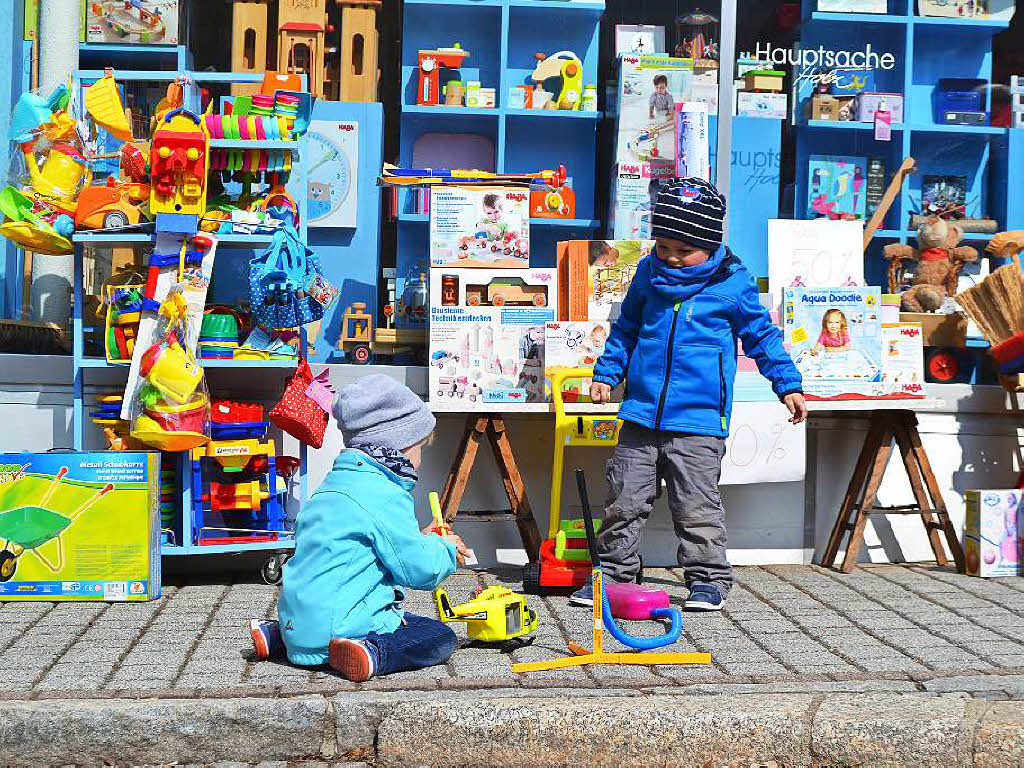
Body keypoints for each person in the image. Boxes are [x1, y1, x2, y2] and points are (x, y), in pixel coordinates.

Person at [575, 178, 808, 612]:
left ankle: (708, 579)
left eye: (685, 251)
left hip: (699, 420)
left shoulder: (732, 282)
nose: (673, 259)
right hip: (641, 414)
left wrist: (788, 385)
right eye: (664, 247)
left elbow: (762, 336)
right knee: (623, 499)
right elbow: (626, 329)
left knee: (695, 505)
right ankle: (612, 575)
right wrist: (607, 373)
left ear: (709, 243)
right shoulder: (648, 273)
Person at [249, 375, 469, 681]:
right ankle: (371, 653)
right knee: (438, 636)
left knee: (320, 618)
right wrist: (445, 549)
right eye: (420, 449)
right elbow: (420, 571)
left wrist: (422, 538)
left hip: (300, 625)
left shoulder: (331, 487)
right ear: (400, 446)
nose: (419, 462)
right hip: (342, 629)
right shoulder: (386, 495)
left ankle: (279, 637)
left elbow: (362, 550)